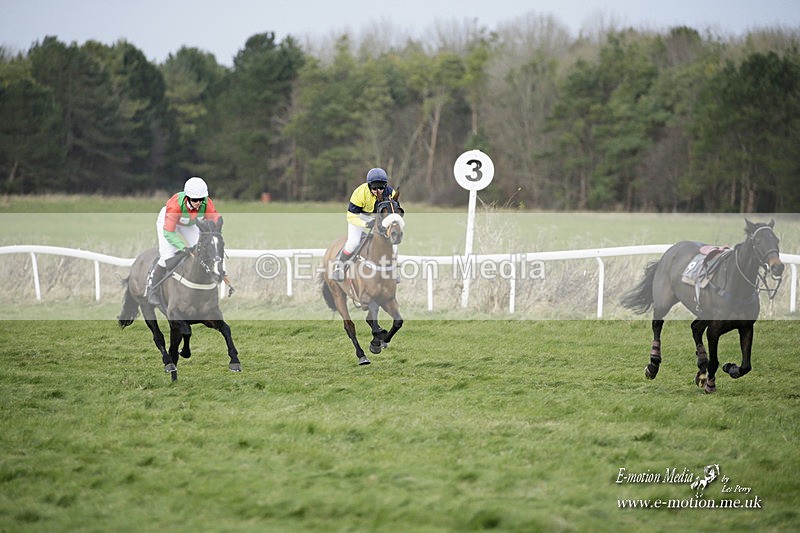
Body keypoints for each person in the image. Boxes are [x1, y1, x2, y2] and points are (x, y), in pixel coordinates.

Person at [146, 176, 221, 306]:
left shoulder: (206, 203)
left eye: (201, 199)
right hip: (168, 224)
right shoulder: (175, 206)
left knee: (201, 251)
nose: (199, 202)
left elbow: (215, 221)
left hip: (189, 224)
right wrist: (182, 247)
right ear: (187, 198)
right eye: (195, 200)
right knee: (167, 257)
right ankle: (152, 288)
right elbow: (169, 233)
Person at [331, 167, 401, 282]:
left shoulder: (391, 193)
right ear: (369, 185)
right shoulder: (359, 193)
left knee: (393, 244)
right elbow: (351, 216)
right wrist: (366, 223)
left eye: (381, 187)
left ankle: (393, 270)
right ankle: (339, 267)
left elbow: (393, 214)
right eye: (374, 187)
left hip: (379, 218)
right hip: (359, 217)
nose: (378, 190)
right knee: (353, 242)